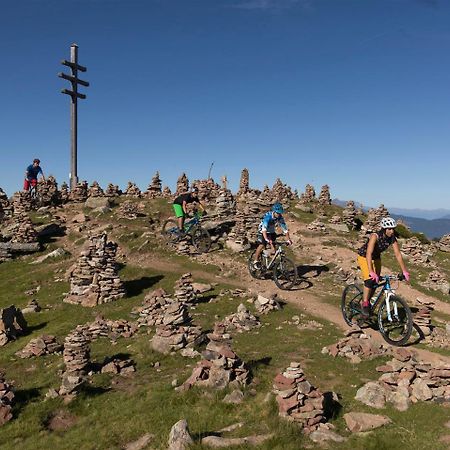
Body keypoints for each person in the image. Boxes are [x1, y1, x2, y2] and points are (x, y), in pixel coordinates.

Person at [357, 217, 410, 318]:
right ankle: (364, 303)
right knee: (369, 280)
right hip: (364, 257)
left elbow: (398, 254)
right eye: (389, 229)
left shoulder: (392, 238)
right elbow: (369, 253)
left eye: (393, 228)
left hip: (376, 258)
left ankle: (367, 300)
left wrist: (404, 271)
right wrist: (371, 271)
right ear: (384, 229)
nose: (392, 231)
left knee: (375, 283)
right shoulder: (375, 236)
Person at [252, 202, 292, 269]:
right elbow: (264, 229)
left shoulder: (280, 218)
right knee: (262, 244)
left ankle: (267, 256)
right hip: (262, 231)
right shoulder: (268, 217)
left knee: (273, 249)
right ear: (274, 211)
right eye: (278, 213)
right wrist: (266, 239)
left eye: (280, 213)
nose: (279, 215)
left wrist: (289, 239)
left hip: (271, 231)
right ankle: (255, 261)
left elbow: (285, 230)